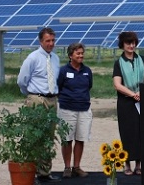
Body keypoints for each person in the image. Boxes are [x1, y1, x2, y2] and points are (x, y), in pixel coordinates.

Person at [17, 27, 61, 183]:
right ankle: (30, 172)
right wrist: (31, 96)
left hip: (52, 100)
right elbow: (22, 80)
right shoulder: (32, 58)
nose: (51, 44)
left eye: (53, 40)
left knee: (49, 137)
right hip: (37, 99)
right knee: (34, 136)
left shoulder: (55, 58)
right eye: (47, 41)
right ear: (40, 41)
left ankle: (44, 172)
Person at [112, 31, 144, 176]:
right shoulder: (119, 63)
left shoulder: (142, 59)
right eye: (129, 43)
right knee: (128, 133)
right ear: (122, 44)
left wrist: (142, 91)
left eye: (134, 42)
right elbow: (117, 84)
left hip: (142, 101)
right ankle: (127, 163)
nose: (132, 45)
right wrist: (132, 94)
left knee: (141, 132)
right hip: (126, 103)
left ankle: (139, 165)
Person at [57, 42, 93, 179]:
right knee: (67, 139)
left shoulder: (87, 71)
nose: (81, 56)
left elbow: (89, 86)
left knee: (80, 138)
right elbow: (58, 87)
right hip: (67, 110)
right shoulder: (63, 71)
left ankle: (76, 167)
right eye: (78, 53)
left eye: (82, 53)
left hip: (84, 109)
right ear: (70, 55)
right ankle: (67, 167)